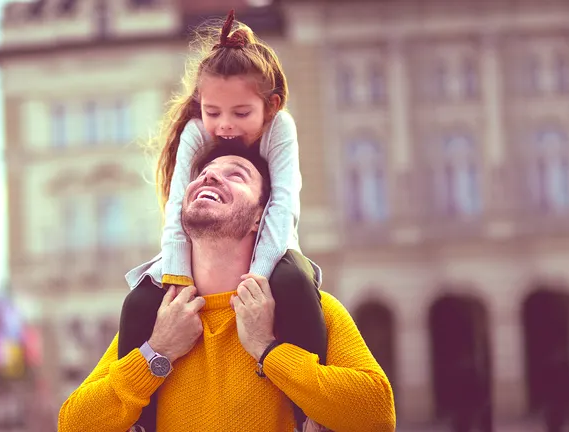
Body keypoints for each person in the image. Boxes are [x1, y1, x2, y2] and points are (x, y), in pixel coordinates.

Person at [58, 141, 396, 432]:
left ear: (259, 219)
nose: (210, 175)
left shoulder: (309, 307)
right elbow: (72, 424)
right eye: (205, 171)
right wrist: (157, 353)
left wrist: (269, 350)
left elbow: (379, 415)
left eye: (236, 173)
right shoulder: (159, 320)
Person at [118, 9, 327, 430]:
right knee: (140, 298)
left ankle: (311, 416)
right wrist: (178, 282)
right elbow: (178, 213)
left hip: (272, 245)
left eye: (241, 113)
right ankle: (141, 420)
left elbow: (282, 207)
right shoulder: (197, 133)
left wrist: (255, 280)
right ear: (200, 104)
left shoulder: (280, 129)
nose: (226, 126)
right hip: (191, 255)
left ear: (271, 106)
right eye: (214, 112)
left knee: (293, 281)